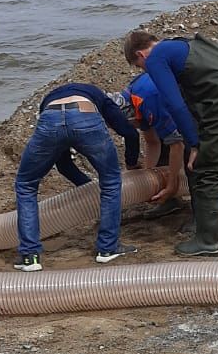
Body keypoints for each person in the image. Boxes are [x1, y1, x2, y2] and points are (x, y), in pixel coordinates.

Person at [122, 30, 218, 256]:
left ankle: (207, 241)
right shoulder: (184, 44)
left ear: (141, 54)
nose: (145, 71)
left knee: (206, 171)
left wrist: (194, 143)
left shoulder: (157, 57)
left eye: (140, 67)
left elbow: (175, 104)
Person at [14, 84, 141, 271]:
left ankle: (30, 258)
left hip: (50, 118)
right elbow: (129, 132)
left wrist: (87, 187)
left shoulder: (50, 99)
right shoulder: (99, 95)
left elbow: (63, 164)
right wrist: (131, 162)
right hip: (85, 114)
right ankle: (108, 249)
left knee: (26, 184)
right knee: (111, 181)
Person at [118, 72, 187, 218]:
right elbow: (152, 142)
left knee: (191, 152)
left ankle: (200, 215)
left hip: (196, 103)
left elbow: (177, 145)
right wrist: (148, 178)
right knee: (164, 137)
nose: (135, 127)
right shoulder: (133, 102)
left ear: (130, 118)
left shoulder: (147, 101)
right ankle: (171, 201)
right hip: (171, 100)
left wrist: (171, 184)